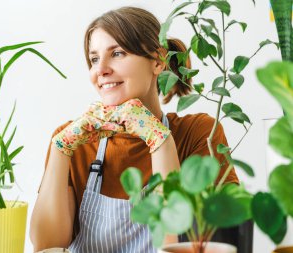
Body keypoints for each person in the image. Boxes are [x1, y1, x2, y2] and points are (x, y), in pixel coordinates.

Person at [30, 6, 238, 253]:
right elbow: (47, 246)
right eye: (94, 59)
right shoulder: (73, 141)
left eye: (117, 53)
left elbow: (179, 245)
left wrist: (159, 139)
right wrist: (59, 149)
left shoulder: (197, 132)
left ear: (158, 60)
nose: (101, 70)